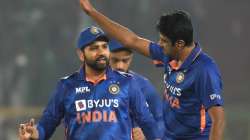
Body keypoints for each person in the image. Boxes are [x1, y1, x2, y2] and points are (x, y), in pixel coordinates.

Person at [79, 1, 225, 140]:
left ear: (179, 44)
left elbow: (218, 119)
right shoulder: (169, 54)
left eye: (164, 40)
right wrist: (92, 12)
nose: (159, 44)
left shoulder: (204, 70)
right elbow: (131, 40)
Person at [18, 26, 161, 140]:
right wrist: (35, 134)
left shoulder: (127, 82)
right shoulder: (66, 86)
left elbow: (147, 122)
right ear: (81, 54)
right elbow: (48, 123)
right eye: (94, 48)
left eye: (104, 47)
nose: (101, 52)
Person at [109, 39, 165, 140]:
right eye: (115, 60)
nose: (120, 66)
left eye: (125, 60)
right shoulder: (90, 85)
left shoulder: (143, 85)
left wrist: (146, 133)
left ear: (131, 58)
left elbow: (161, 120)